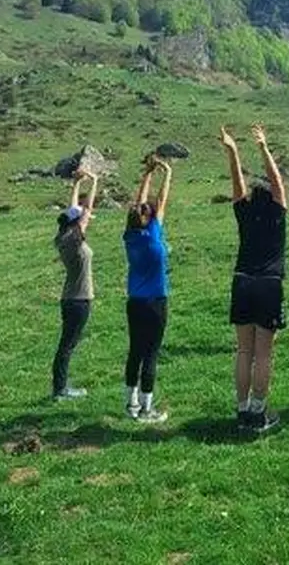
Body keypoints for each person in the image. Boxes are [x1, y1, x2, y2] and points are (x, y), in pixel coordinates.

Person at [220, 124, 287, 434]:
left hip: (242, 280)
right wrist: (263, 147)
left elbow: (236, 184)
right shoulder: (277, 211)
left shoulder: (243, 212)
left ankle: (242, 409)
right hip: (269, 283)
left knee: (244, 351)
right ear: (272, 196)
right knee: (263, 353)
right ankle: (259, 412)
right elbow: (277, 180)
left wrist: (232, 150)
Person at [122, 155, 173, 423]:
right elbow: (160, 201)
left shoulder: (129, 237)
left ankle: (130, 403)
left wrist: (147, 174)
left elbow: (137, 206)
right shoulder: (154, 235)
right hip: (156, 302)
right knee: (151, 355)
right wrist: (167, 174)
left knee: (135, 351)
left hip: (134, 302)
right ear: (149, 219)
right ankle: (146, 409)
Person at [51, 169, 99, 401]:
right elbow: (85, 211)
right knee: (67, 346)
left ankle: (60, 387)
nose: (88, 219)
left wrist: (76, 184)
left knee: (66, 345)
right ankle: (60, 390)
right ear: (77, 223)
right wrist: (95, 181)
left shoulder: (64, 237)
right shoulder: (75, 239)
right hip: (79, 300)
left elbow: (76, 211)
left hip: (70, 298)